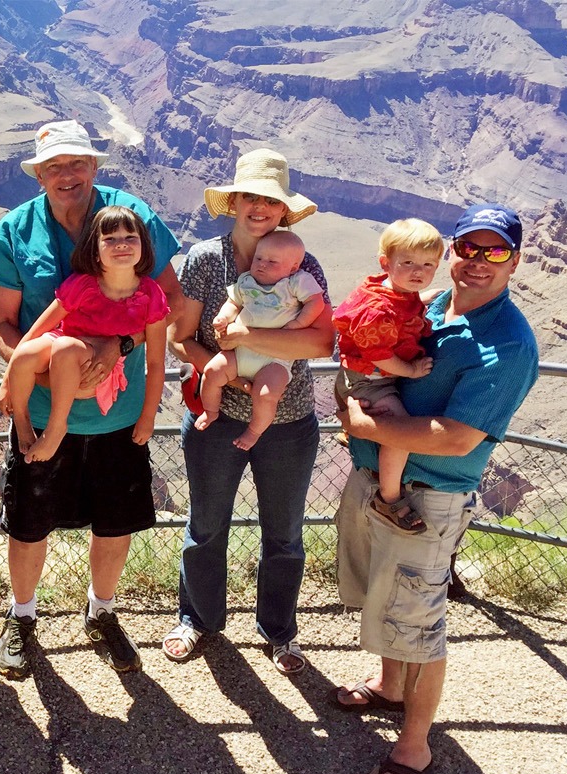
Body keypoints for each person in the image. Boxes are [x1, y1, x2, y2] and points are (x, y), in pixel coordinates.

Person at [333, 204, 537, 774]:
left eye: (494, 251)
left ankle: (414, 744)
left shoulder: (508, 343)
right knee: (382, 595)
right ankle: (390, 688)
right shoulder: (431, 306)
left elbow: (455, 438)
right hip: (378, 479)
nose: (477, 261)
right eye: (468, 248)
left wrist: (360, 424)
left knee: (419, 622)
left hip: (430, 497)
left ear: (515, 261)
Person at [0, 119, 182, 678]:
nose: (67, 175)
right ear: (39, 174)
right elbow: (1, 322)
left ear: (94, 166)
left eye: (77, 163)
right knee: (29, 522)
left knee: (114, 523)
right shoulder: (16, 231)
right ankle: (20, 618)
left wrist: (117, 345)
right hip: (43, 413)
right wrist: (41, 377)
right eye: (54, 167)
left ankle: (102, 613)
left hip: (117, 410)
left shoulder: (128, 216)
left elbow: (172, 304)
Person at [161, 148, 332, 677]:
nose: (260, 207)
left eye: (271, 200)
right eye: (251, 197)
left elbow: (322, 342)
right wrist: (229, 370)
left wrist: (250, 340)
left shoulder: (305, 264)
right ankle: (198, 619)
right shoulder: (205, 260)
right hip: (218, 417)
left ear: (284, 211)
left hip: (289, 420)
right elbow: (178, 338)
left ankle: (279, 632)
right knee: (206, 526)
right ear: (233, 202)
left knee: (284, 532)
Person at [3, 205, 169, 464]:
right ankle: (22, 417)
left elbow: (157, 363)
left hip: (99, 363)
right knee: (25, 354)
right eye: (110, 239)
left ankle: (56, 427)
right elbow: (41, 328)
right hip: (64, 341)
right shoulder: (83, 284)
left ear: (143, 245)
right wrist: (8, 377)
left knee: (66, 348)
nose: (121, 245)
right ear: (95, 249)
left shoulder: (150, 295)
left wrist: (148, 417)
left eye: (130, 238)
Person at [331, 218, 443, 534]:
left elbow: (404, 304)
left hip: (368, 378)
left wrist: (424, 298)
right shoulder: (376, 310)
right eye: (407, 262)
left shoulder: (396, 289)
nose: (417, 271)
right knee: (400, 433)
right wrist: (410, 370)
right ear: (386, 263)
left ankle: (356, 434)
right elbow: (378, 355)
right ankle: (389, 498)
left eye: (427, 264)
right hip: (370, 382)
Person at [194, 230, 325, 450]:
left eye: (272, 262)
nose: (262, 265)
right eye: (259, 258)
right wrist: (223, 317)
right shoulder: (247, 281)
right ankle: (210, 411)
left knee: (265, 394)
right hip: (239, 352)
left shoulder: (295, 282)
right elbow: (233, 302)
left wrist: (298, 324)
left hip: (274, 359)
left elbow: (316, 302)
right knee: (212, 371)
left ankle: (254, 432)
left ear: (292, 268)